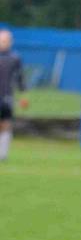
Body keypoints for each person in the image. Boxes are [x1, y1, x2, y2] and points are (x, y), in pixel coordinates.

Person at [0, 29, 28, 162]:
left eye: (6, 40)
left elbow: (20, 78)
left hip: (7, 96)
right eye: (2, 40)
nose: (4, 43)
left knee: (6, 123)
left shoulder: (15, 58)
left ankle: (3, 154)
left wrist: (23, 95)